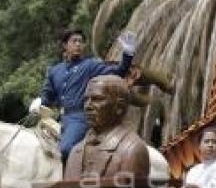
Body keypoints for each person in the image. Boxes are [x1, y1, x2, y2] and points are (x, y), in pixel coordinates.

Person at [31, 28, 137, 159]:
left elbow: (118, 72)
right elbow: (48, 96)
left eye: (81, 42)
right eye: (74, 41)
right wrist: (39, 103)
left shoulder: (90, 65)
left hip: (80, 118)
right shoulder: (54, 70)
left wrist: (128, 53)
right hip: (59, 120)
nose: (78, 45)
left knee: (65, 149)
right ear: (65, 45)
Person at [63, 75, 150, 181]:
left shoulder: (132, 150)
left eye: (97, 99)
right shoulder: (75, 151)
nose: (88, 106)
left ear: (119, 107)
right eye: (86, 100)